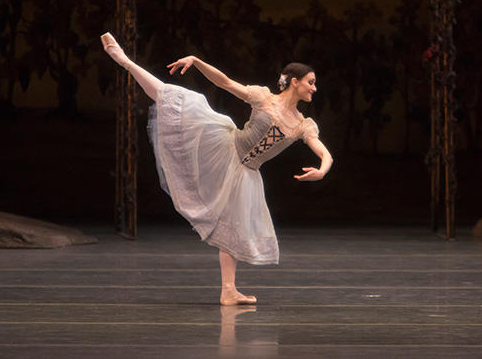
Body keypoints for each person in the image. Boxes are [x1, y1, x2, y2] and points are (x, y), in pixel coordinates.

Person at [101, 32, 333, 305]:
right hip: (225, 148)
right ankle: (125, 61)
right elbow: (224, 82)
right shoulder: (263, 98)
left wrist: (323, 168)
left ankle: (228, 290)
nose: (314, 88)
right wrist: (196, 61)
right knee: (176, 98)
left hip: (246, 172)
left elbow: (322, 150)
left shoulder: (303, 124)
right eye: (311, 82)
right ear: (294, 82)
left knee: (231, 228)